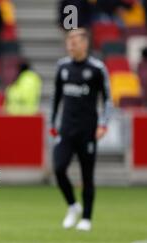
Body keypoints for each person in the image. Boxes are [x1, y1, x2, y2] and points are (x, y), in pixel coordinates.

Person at [50, 28, 112, 232]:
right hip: (66, 129)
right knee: (59, 168)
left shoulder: (97, 68)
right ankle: (72, 206)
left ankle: (86, 217)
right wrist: (52, 123)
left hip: (88, 130)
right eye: (69, 41)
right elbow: (56, 97)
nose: (70, 44)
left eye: (74, 41)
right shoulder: (63, 66)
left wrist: (103, 124)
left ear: (85, 43)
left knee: (87, 175)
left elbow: (108, 99)